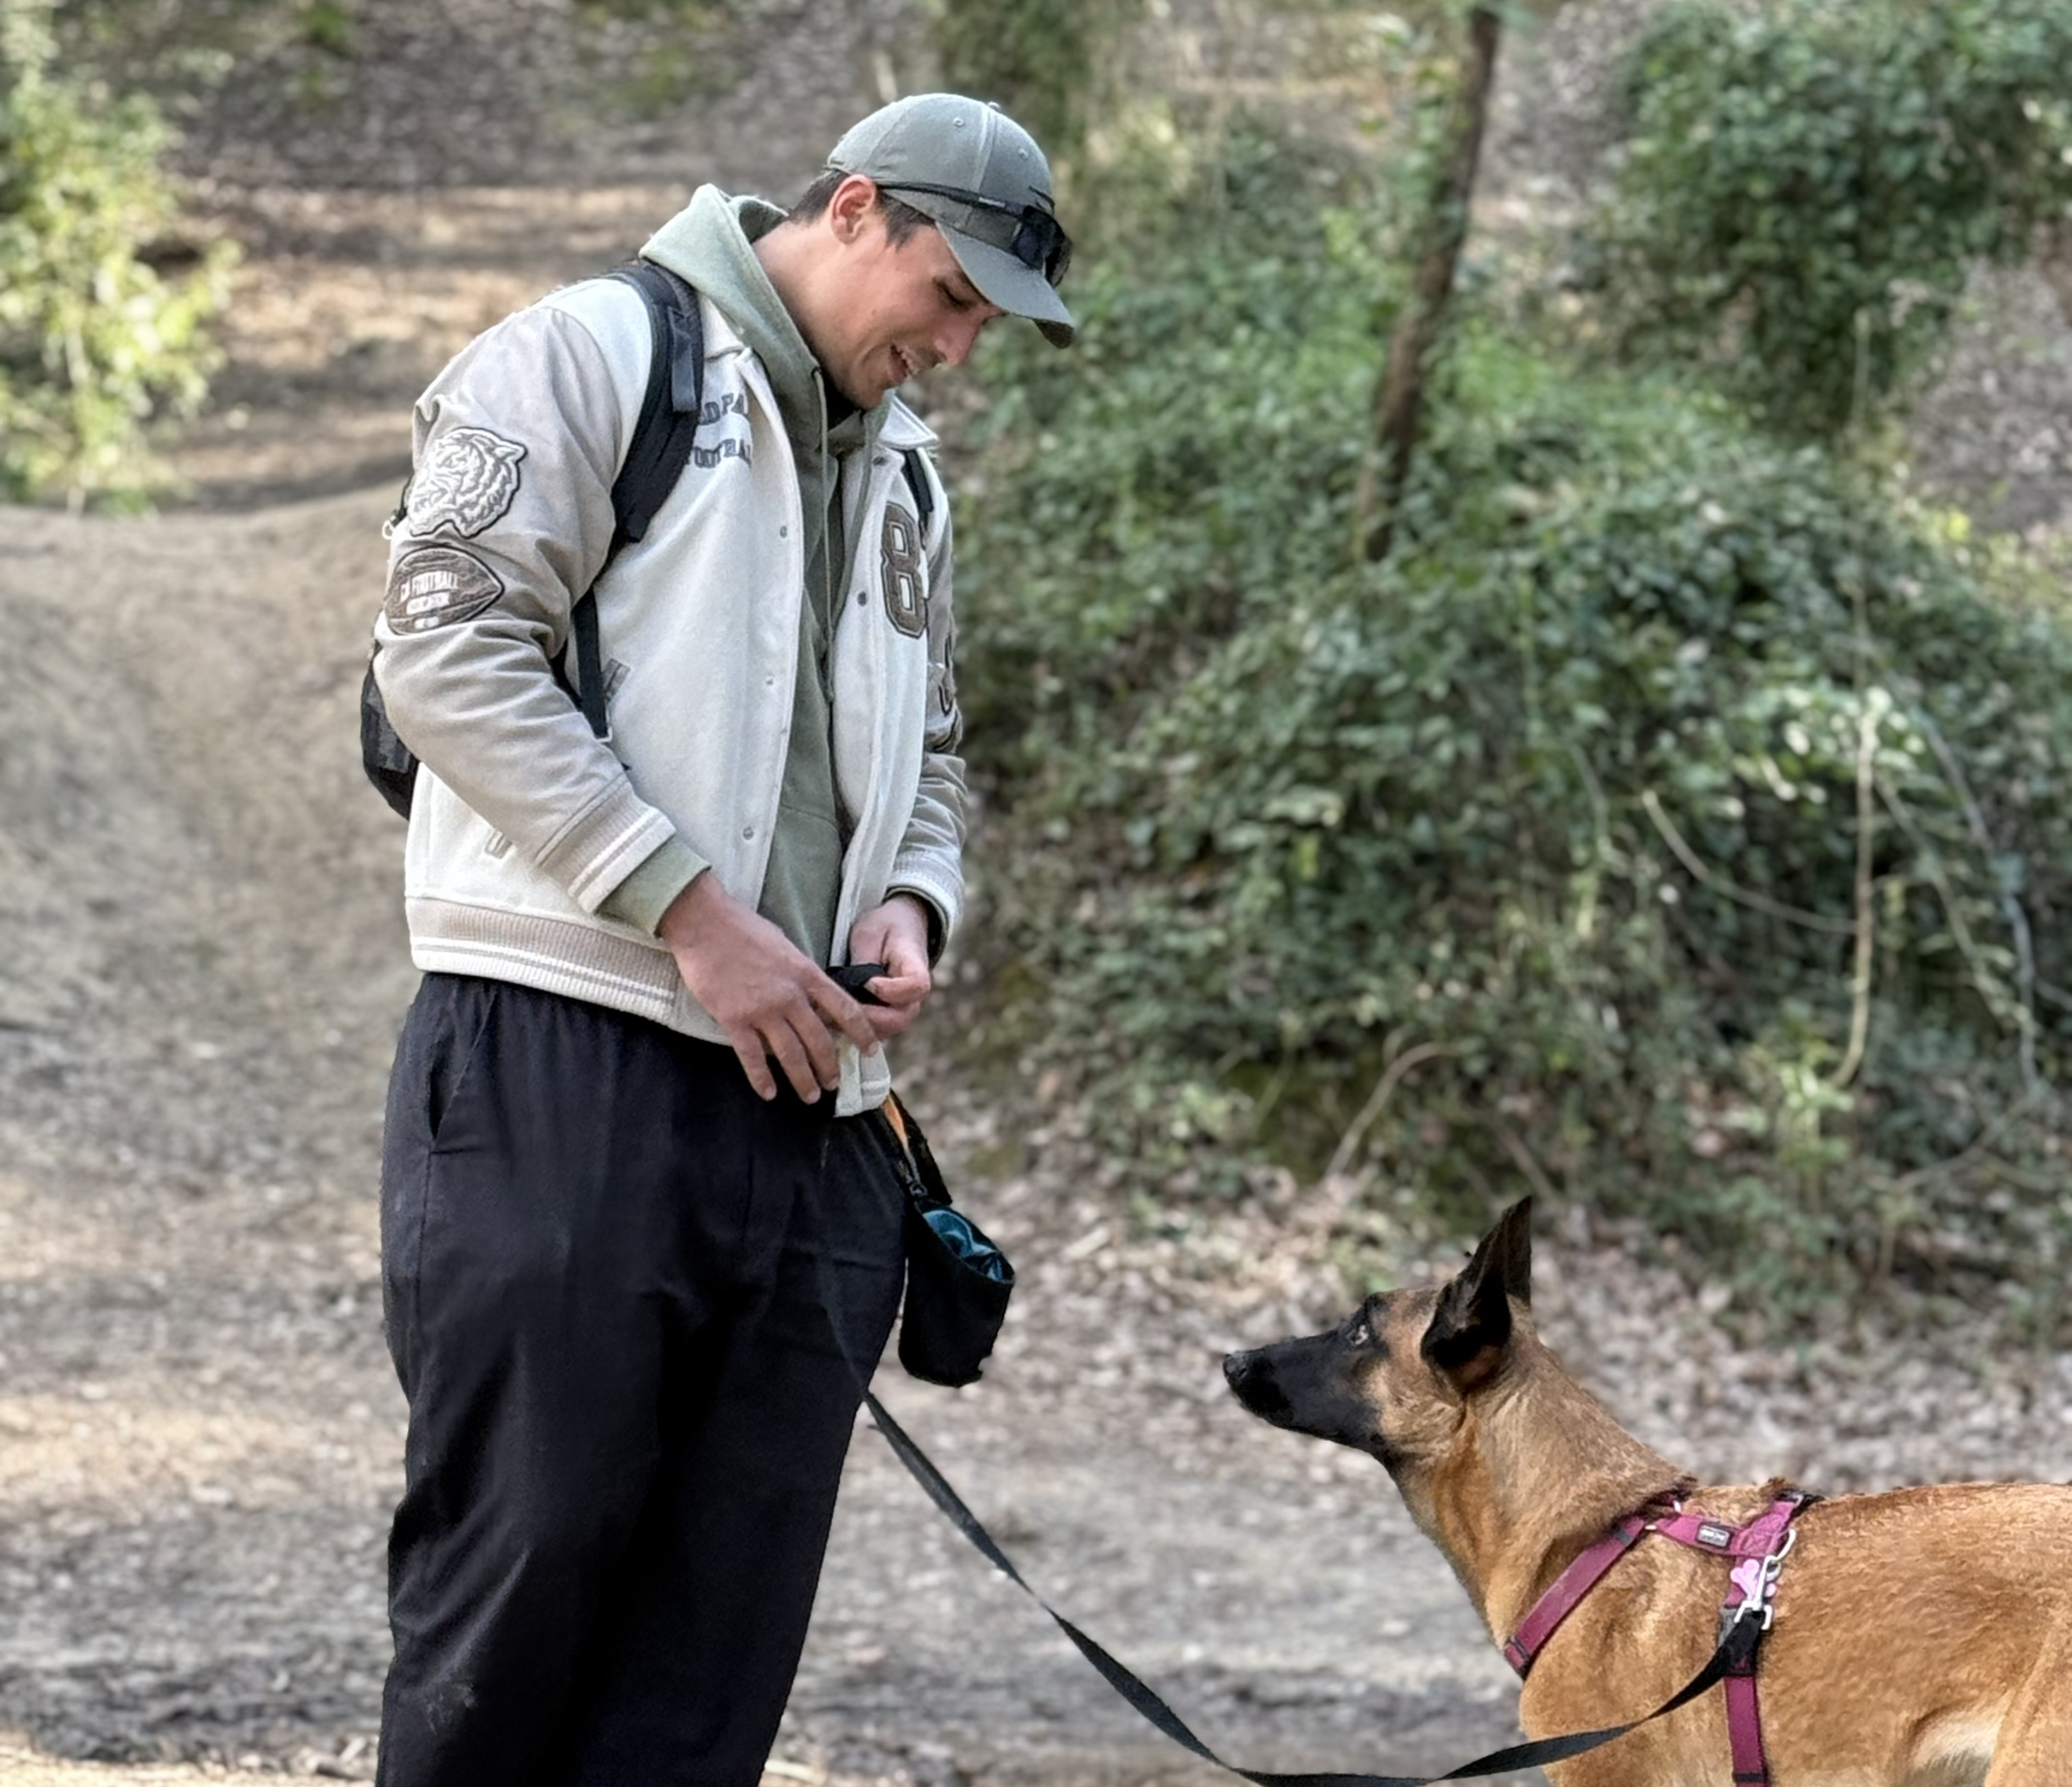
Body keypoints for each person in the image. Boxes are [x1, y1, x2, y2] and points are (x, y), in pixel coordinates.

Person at [369, 92, 1074, 1787]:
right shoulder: (589, 357)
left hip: (813, 1119)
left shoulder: (903, 472)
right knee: (518, 1599)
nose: (959, 348)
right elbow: (445, 647)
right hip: (564, 1059)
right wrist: (692, 914)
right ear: (851, 211)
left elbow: (938, 747)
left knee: (714, 1654)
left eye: (986, 320)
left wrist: (911, 897)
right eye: (952, 295)